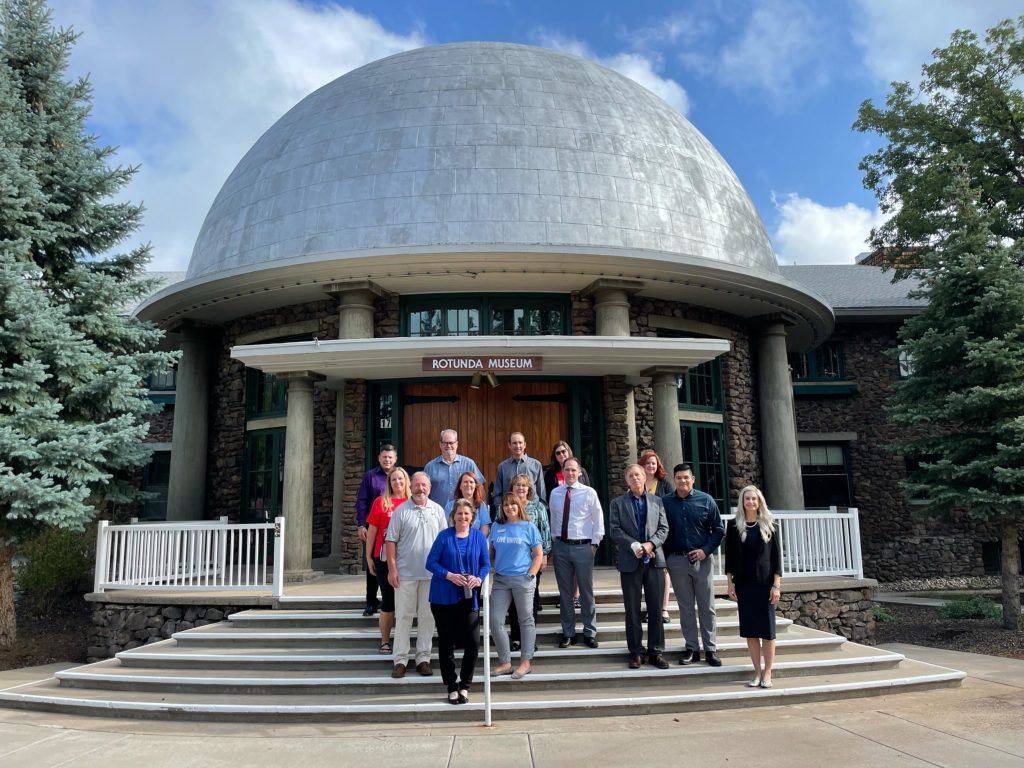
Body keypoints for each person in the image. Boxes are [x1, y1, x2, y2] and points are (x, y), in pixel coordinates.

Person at [425, 498, 490, 704]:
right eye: (459, 514)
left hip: (468, 597)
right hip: (443, 597)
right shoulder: (444, 537)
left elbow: (485, 564)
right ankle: (451, 686)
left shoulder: (479, 537)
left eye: (466, 514)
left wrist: (478, 577)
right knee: (446, 642)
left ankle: (465, 685)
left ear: (472, 517)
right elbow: (431, 562)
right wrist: (449, 575)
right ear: (453, 516)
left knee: (473, 642)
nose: (463, 517)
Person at [384, 471, 448, 679]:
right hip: (405, 575)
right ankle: (400, 660)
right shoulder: (401, 511)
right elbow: (391, 541)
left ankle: (423, 658)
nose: (421, 489)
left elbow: (444, 543)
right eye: (417, 485)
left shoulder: (437, 510)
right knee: (403, 616)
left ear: (429, 488)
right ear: (411, 487)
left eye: (424, 485)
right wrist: (392, 569)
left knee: (428, 617)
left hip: (431, 575)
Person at [663, 463, 725, 667]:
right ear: (674, 479)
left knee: (707, 606)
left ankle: (711, 649)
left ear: (693, 479)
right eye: (679, 477)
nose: (682, 481)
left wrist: (705, 550)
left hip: (703, 560)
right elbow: (661, 531)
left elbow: (718, 530)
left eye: (686, 477)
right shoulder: (665, 502)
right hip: (677, 561)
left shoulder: (706, 500)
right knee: (686, 608)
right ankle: (692, 648)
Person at [610, 464, 670, 669]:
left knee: (655, 609)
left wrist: (650, 544)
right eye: (631, 476)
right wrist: (634, 545)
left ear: (645, 477)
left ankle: (656, 651)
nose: (635, 478)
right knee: (632, 609)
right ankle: (636, 651)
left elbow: (664, 528)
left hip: (654, 561)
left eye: (638, 475)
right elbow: (615, 530)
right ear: (627, 480)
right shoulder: (618, 503)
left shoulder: (657, 501)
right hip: (630, 562)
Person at [725, 485, 782, 688]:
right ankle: (756, 672)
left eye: (754, 499)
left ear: (759, 502)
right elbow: (730, 558)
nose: (750, 502)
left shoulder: (769, 524)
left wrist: (776, 585)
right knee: (750, 631)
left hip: (765, 584)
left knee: (767, 631)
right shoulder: (733, 526)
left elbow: (776, 559)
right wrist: (730, 583)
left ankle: (768, 673)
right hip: (744, 585)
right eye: (747, 499)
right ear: (742, 502)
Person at [549, 458, 604, 648]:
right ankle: (568, 632)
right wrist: (555, 541)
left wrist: (594, 544)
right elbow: (553, 519)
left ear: (579, 472)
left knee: (586, 592)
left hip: (583, 547)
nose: (570, 473)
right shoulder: (555, 493)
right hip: (561, 547)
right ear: (562, 472)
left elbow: (598, 519)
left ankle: (590, 632)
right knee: (565, 593)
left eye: (574, 470)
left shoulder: (589, 493)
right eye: (567, 470)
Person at [488, 493, 543, 679]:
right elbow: (490, 552)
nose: (509, 507)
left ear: (519, 506)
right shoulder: (496, 526)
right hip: (501, 580)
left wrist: (531, 574)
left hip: (523, 579)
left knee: (525, 620)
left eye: (513, 504)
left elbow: (538, 554)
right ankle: (505, 662)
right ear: (501, 508)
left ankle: (525, 663)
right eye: (505, 505)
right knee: (495, 621)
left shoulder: (529, 527)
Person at [364, 466, 410, 655]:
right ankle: (385, 641)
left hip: (407, 558)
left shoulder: (412, 502)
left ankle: (404, 641)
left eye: (401, 479)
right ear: (389, 483)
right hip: (383, 557)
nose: (397, 483)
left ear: (406, 481)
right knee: (388, 601)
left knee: (407, 602)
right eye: (394, 480)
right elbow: (373, 530)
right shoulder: (381, 502)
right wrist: (368, 557)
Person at [508, 472, 551, 650]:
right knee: (513, 602)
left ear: (529, 489)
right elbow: (498, 527)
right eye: (517, 485)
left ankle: (529, 639)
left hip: (533, 561)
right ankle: (516, 638)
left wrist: (545, 554)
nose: (520, 488)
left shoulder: (538, 507)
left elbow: (545, 531)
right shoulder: (507, 506)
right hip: (511, 563)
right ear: (512, 488)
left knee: (530, 600)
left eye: (524, 485)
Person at [355, 444, 398, 616]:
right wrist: (360, 525)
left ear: (395, 459)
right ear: (379, 458)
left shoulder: (399, 476)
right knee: (373, 564)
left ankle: (394, 601)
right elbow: (362, 502)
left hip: (397, 529)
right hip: (374, 528)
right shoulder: (370, 476)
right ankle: (371, 602)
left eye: (390, 457)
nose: (387, 460)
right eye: (384, 457)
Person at [639, 449, 673, 625]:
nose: (651, 466)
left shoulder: (664, 484)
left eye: (653, 463)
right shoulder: (638, 482)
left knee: (663, 571)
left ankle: (664, 608)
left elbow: (669, 508)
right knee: (646, 572)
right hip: (642, 536)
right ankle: (650, 607)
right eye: (647, 463)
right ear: (642, 466)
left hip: (660, 534)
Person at [424, 428, 485, 508]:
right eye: (445, 443)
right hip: (437, 514)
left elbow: (480, 486)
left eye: (451, 443)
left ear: (457, 444)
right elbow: (423, 490)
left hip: (464, 515)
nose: (448, 446)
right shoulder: (430, 467)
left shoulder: (469, 463)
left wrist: (480, 507)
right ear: (440, 444)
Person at [491, 432, 545, 511]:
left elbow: (541, 492)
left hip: (532, 512)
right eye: (514, 443)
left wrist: (540, 511)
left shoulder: (536, 465)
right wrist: (501, 510)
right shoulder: (502, 467)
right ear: (509, 445)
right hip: (510, 512)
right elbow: (497, 493)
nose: (518, 446)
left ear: (525, 445)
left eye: (520, 443)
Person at [443, 471, 492, 537]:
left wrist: (478, 542)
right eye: (465, 482)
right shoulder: (450, 506)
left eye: (471, 482)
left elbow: (485, 528)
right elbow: (444, 527)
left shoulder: (481, 506)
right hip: (454, 542)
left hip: (475, 544)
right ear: (460, 486)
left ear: (475, 486)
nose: (468, 484)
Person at [543, 440, 590, 505]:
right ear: (555, 456)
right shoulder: (550, 474)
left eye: (563, 451)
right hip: (559, 509)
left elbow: (588, 491)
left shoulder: (581, 471)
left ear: (568, 452)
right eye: (558, 453)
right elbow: (548, 495)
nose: (561, 454)